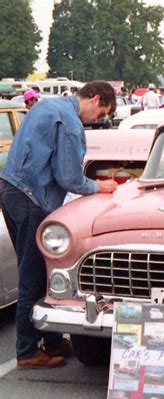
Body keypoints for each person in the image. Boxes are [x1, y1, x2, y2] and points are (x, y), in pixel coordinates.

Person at [0, 81, 118, 370]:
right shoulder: (70, 123)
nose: (98, 118)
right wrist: (99, 186)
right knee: (35, 274)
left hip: (11, 191)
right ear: (96, 98)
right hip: (33, 199)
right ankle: (27, 350)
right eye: (102, 112)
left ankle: (52, 342)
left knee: (36, 268)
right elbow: (69, 178)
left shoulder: (46, 105)